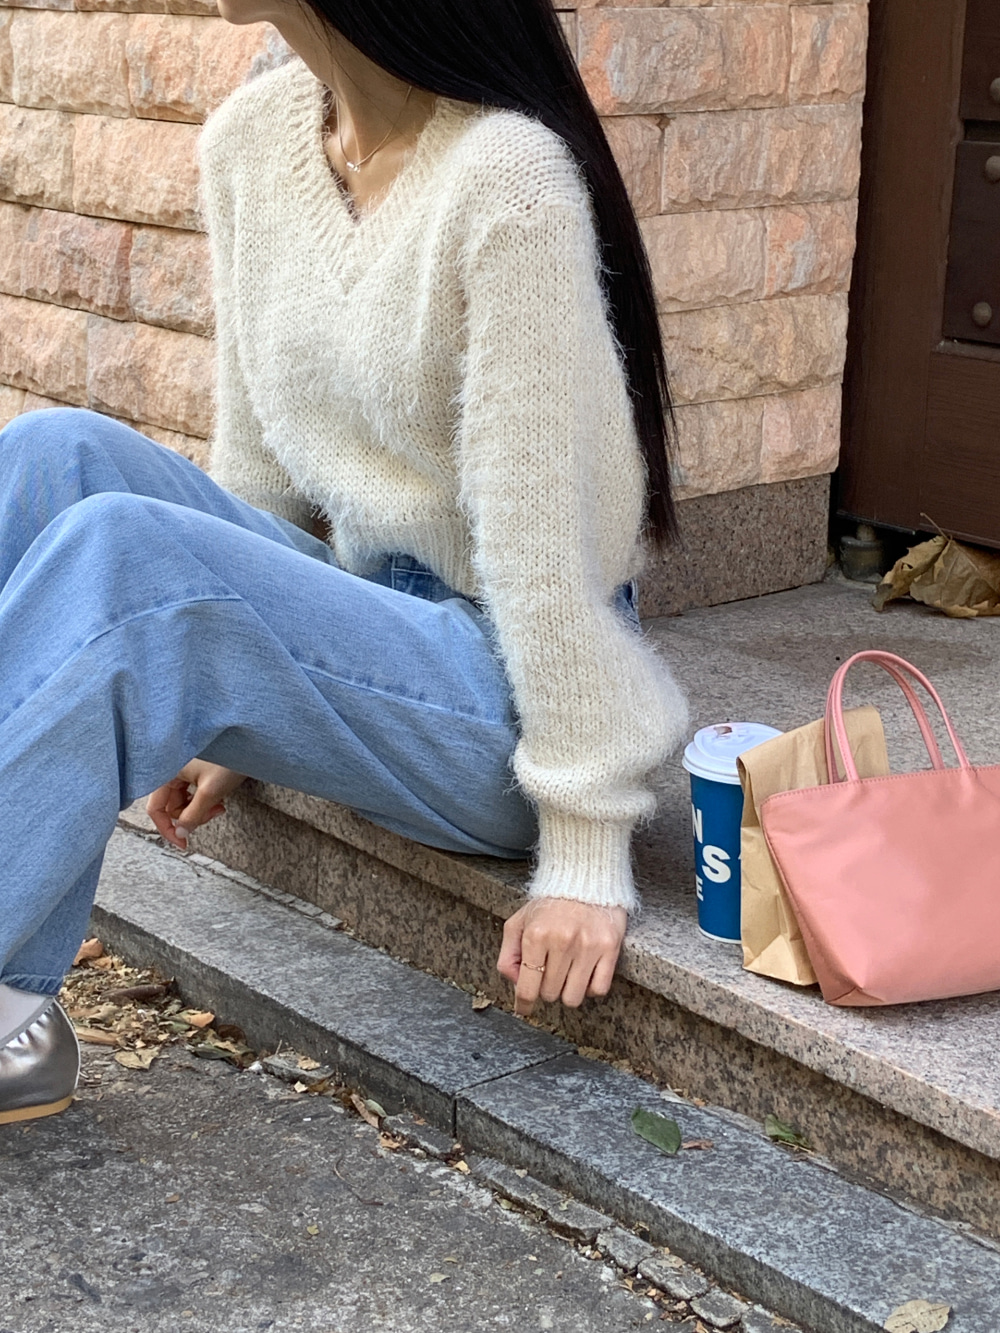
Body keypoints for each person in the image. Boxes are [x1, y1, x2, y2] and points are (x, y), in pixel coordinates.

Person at [0, 0, 689, 1125]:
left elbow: (548, 560)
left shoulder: (507, 178)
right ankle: (12, 1021)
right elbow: (259, 472)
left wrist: (584, 850)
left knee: (129, 558)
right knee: (52, 457)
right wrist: (229, 686)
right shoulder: (255, 138)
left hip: (504, 693)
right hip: (368, 622)